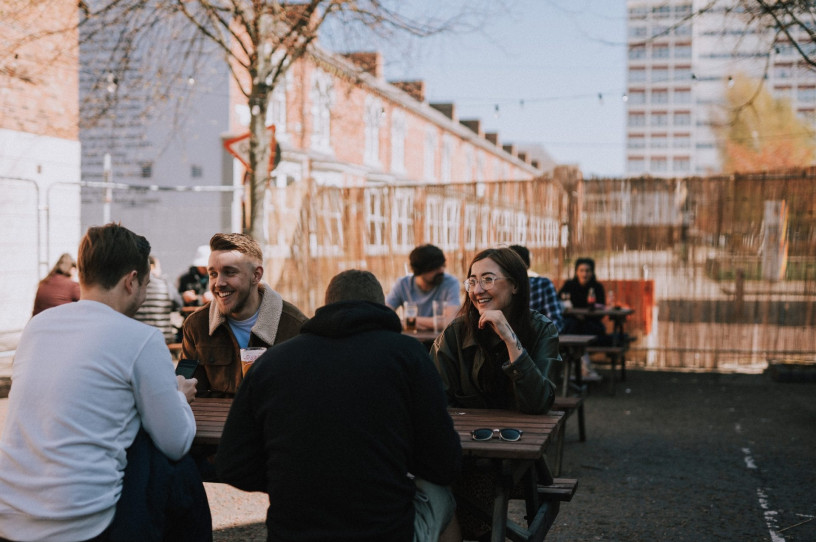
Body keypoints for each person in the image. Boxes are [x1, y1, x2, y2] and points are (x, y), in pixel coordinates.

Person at [216, 269, 462, 542]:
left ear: (327, 304)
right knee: (441, 495)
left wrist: (290, 480)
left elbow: (232, 464)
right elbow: (444, 463)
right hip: (383, 531)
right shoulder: (409, 356)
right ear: (382, 306)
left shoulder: (271, 363)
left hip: (292, 533)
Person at [0, 223, 210, 542]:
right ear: (131, 281)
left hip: (11, 514)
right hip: (82, 522)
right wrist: (178, 395)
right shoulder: (141, 338)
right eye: (145, 284)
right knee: (175, 468)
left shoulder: (37, 327)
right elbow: (175, 441)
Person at [430, 247, 561, 540]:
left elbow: (540, 402)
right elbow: (433, 401)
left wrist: (509, 337)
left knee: (484, 487)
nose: (478, 290)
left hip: (519, 457)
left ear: (515, 284)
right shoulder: (454, 333)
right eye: (472, 281)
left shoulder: (542, 330)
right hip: (464, 451)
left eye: (488, 279)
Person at [181, 232, 307, 397]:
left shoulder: (295, 326)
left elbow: (307, 393)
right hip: (217, 423)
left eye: (230, 272)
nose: (219, 283)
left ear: (256, 275)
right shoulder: (196, 325)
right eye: (213, 274)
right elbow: (187, 390)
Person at [385, 244, 461, 331]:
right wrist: (436, 322)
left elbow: (451, 321)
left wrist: (411, 321)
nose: (441, 270)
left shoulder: (450, 283)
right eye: (435, 267)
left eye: (442, 265)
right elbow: (384, 315)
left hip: (440, 342)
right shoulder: (403, 284)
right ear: (419, 270)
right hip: (411, 340)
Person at [558, 257, 607, 382]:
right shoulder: (569, 285)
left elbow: (601, 310)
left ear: (592, 272)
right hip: (572, 323)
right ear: (576, 272)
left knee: (583, 328)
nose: (585, 274)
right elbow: (559, 303)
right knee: (571, 326)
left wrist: (584, 315)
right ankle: (583, 368)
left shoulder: (597, 287)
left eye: (588, 271)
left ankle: (582, 368)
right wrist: (576, 314)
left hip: (590, 324)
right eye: (582, 270)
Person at [509, 244, 564, 332]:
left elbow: (556, 322)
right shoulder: (499, 287)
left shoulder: (542, 284)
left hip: (535, 339)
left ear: (526, 265)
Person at [134, 254, 183, 343]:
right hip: (163, 338)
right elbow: (179, 304)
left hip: (138, 338)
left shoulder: (133, 286)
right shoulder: (165, 284)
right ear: (153, 267)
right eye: (159, 267)